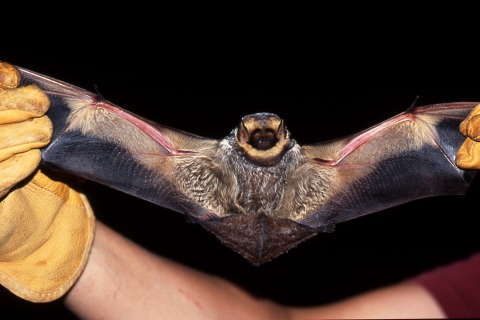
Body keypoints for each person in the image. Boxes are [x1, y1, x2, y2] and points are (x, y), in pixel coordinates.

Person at [1, 60, 479, 318]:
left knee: (417, 127)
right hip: (219, 210)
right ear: (239, 135)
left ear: (287, 137)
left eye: (273, 129)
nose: (264, 132)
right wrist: (43, 239)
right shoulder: (198, 159)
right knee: (90, 112)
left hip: (301, 215)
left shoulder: (324, 166)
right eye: (254, 129)